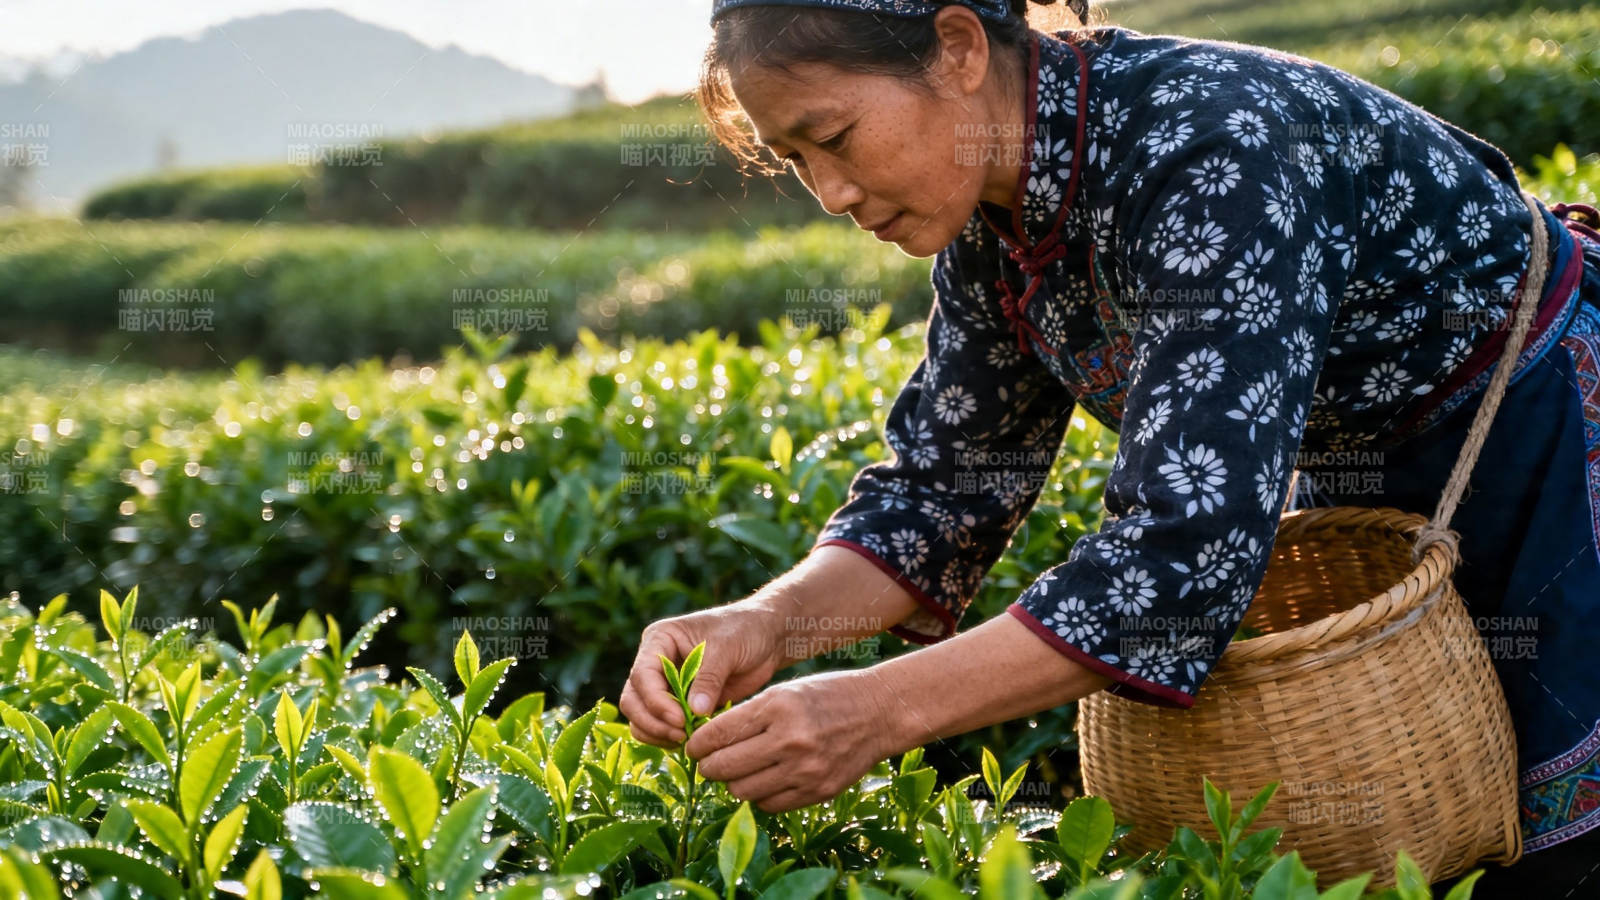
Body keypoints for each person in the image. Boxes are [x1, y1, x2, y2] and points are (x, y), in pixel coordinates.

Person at [616, 0, 1600, 892]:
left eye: (833, 137)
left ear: (957, 48)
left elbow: (1182, 550)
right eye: (793, 160)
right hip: (1365, 484)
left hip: (1539, 431)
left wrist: (875, 711)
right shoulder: (991, 217)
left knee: (1554, 849)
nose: (830, 192)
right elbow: (939, 494)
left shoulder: (1210, 151)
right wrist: (768, 622)